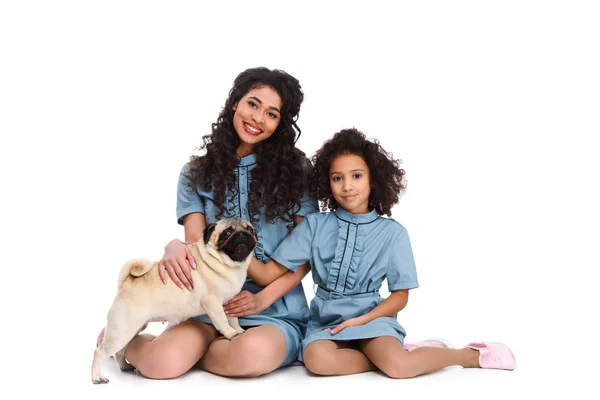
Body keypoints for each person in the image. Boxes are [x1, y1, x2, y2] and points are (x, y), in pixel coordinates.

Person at [97, 67, 318, 379]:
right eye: (252, 104)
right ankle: (121, 341)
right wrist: (175, 246)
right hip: (206, 304)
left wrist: (261, 298)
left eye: (271, 113)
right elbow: (196, 246)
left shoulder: (298, 169)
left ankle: (202, 355)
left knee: (250, 356)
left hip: (275, 309)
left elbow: (306, 252)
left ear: (280, 123)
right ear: (234, 104)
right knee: (161, 365)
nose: (257, 118)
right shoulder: (195, 173)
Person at [250, 127, 516, 378]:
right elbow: (272, 270)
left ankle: (466, 355)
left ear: (373, 179)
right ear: (327, 182)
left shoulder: (393, 233)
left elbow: (400, 296)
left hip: (373, 319)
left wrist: (363, 320)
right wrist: (224, 248)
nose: (347, 186)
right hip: (326, 323)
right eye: (337, 178)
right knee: (318, 362)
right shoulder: (315, 225)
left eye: (356, 176)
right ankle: (395, 357)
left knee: (398, 367)